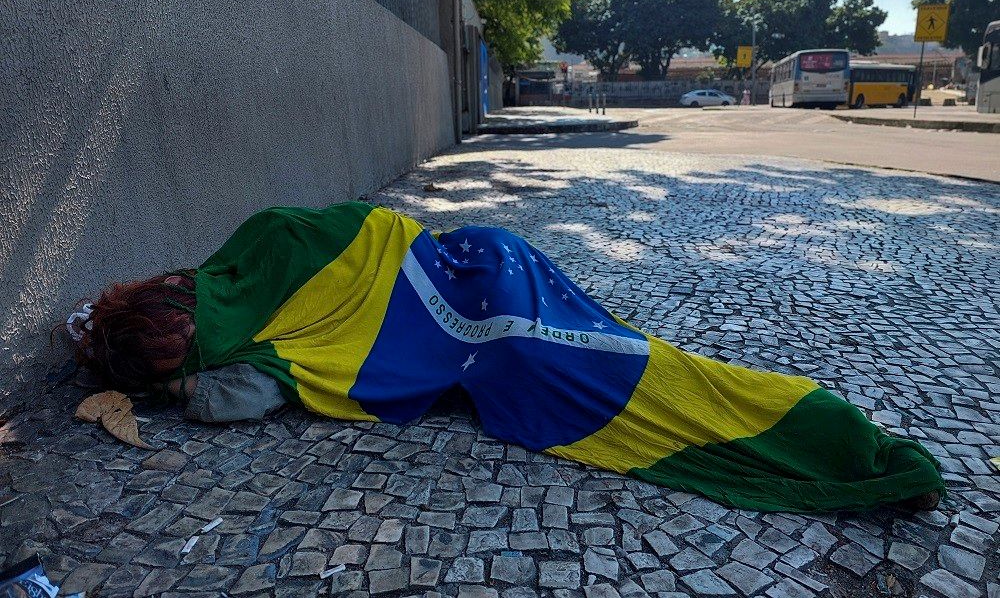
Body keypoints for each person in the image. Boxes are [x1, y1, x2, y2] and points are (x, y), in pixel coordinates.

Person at [68, 203, 944, 513]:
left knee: (630, 386)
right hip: (483, 257)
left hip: (484, 329)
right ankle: (818, 420)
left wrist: (174, 387)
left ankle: (816, 432)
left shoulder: (252, 359)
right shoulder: (253, 246)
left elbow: (223, 400)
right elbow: (365, 224)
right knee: (634, 356)